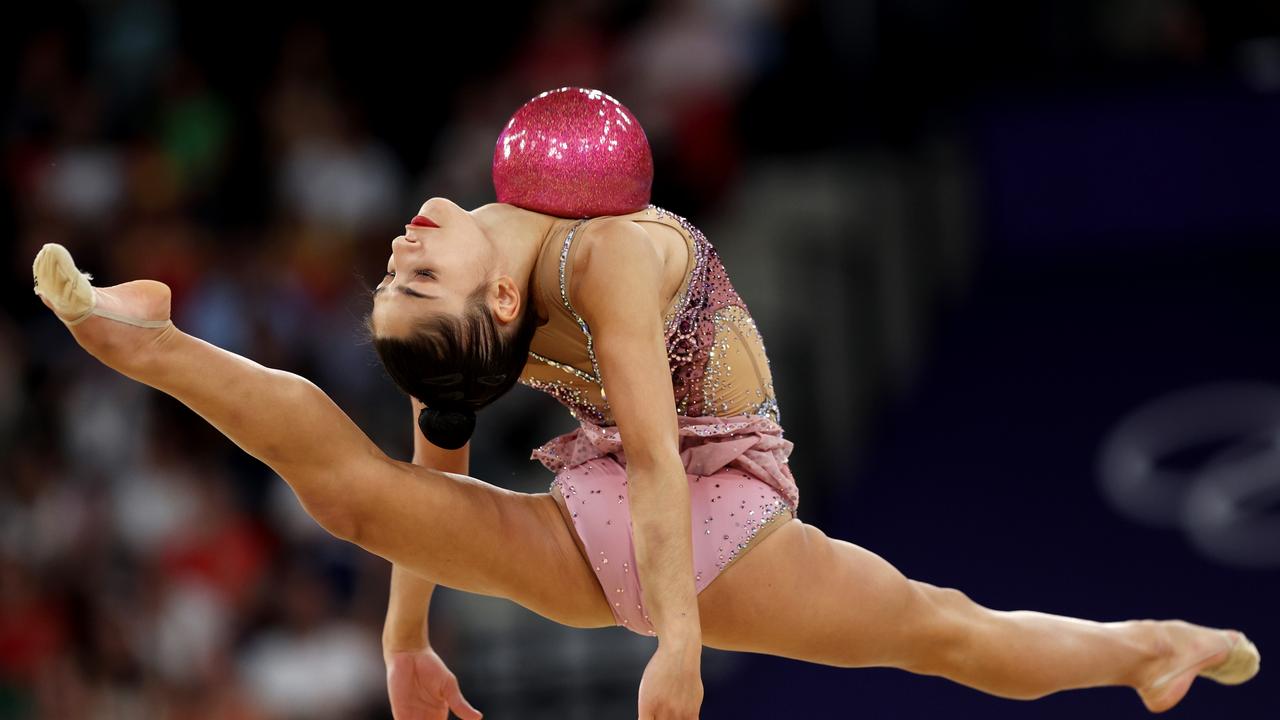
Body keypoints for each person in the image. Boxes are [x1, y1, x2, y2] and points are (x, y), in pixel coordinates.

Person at [33, 88, 1258, 720]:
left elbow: (667, 463)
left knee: (937, 630)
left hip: (711, 491)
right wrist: (406, 638)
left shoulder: (598, 254)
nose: (404, 245)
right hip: (620, 490)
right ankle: (147, 337)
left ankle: (1144, 650)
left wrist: (677, 633)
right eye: (413, 276)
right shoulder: (516, 291)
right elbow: (437, 463)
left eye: (402, 275)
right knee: (357, 503)